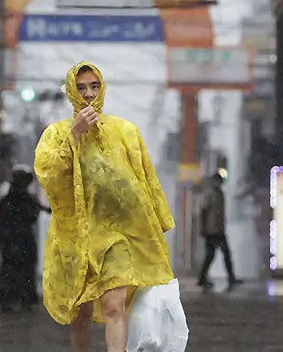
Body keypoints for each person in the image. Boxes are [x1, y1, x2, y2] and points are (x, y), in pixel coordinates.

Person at [34, 61, 177, 352]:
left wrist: (155, 223)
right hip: (76, 237)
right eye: (81, 87)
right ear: (72, 92)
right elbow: (48, 173)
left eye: (94, 86)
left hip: (117, 236)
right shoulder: (56, 133)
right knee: (81, 314)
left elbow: (144, 177)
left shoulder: (126, 131)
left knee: (115, 306)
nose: (88, 94)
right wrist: (74, 134)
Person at [0, 167, 51, 312]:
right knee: (18, 269)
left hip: (16, 239)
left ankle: (12, 299)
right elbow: (28, 215)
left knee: (14, 269)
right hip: (19, 238)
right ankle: (18, 299)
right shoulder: (19, 199)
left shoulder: (14, 198)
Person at [197, 173, 241, 290]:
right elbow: (203, 211)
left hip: (218, 229)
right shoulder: (210, 194)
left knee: (212, 255)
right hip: (212, 231)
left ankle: (203, 278)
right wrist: (203, 228)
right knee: (221, 254)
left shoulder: (220, 193)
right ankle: (229, 277)